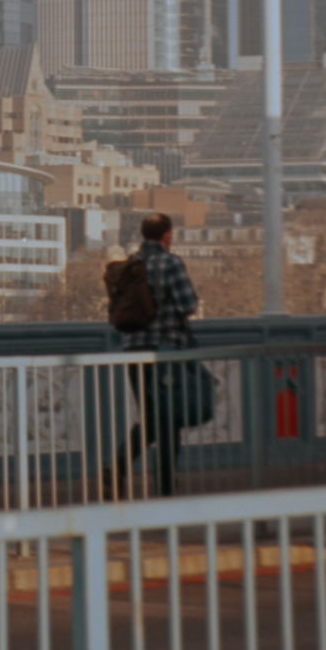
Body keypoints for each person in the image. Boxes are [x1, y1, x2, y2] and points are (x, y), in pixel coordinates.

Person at [115, 211, 202, 498]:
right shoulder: (170, 262)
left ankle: (118, 466)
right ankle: (164, 486)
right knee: (169, 420)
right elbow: (188, 304)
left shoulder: (130, 264)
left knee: (153, 418)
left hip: (132, 351)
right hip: (164, 352)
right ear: (167, 236)